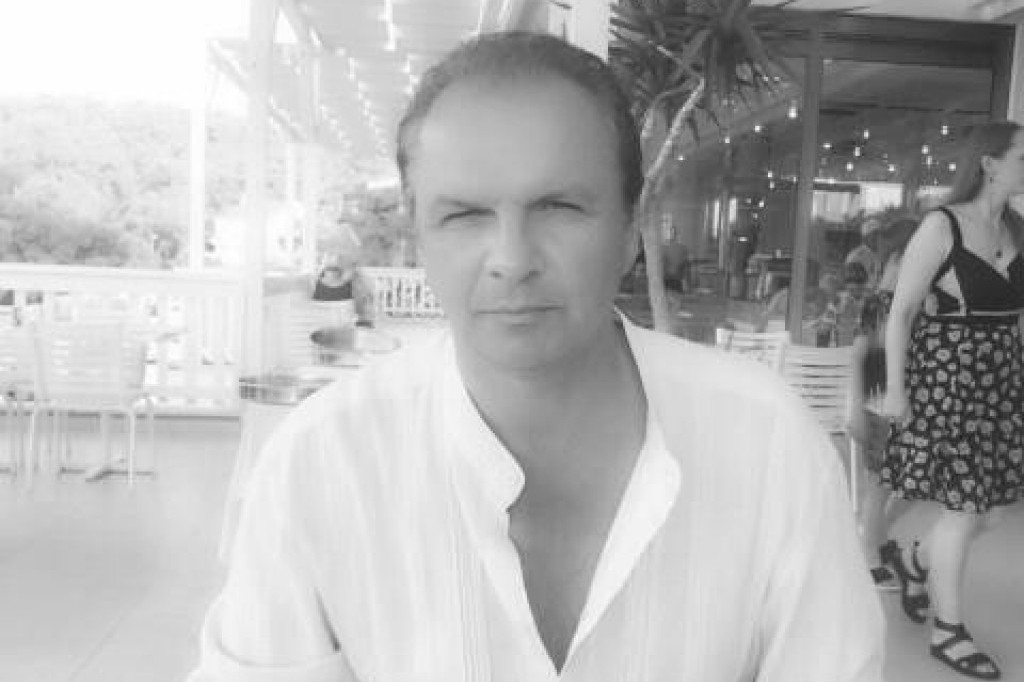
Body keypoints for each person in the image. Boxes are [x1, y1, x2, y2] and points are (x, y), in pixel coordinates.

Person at [188, 32, 882, 682]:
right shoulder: (320, 464)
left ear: (630, 229)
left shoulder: (768, 446)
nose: (512, 259)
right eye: (464, 215)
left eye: (558, 207)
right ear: (419, 237)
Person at [880, 121, 1024, 680]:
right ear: (989, 163)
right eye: (1022, 156)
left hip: (1000, 383)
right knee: (963, 511)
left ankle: (914, 560)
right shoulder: (942, 226)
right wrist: (896, 390)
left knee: (992, 511)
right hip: (949, 380)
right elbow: (901, 313)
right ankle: (948, 630)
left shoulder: (1016, 229)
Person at [847, 217, 918, 590]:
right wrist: (855, 407)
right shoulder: (880, 303)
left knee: (899, 484)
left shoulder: (905, 301)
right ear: (898, 258)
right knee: (881, 485)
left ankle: (874, 538)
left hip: (896, 403)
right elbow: (859, 354)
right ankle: (869, 553)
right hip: (878, 404)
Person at [846, 216, 883, 290]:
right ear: (865, 238)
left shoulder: (886, 253)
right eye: (874, 234)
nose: (878, 237)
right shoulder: (856, 257)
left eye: (880, 233)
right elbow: (852, 286)